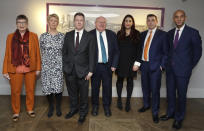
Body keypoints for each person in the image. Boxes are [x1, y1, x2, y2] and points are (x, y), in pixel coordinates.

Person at [160, 10, 202, 129]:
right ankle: (170, 113)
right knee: (170, 93)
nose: (179, 19)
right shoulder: (170, 33)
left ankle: (179, 118)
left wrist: (189, 66)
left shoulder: (193, 33)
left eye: (181, 17)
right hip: (170, 70)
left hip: (183, 70)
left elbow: (197, 52)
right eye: (176, 17)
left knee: (181, 95)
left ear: (185, 18)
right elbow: (167, 51)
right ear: (173, 19)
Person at [2, 14, 41, 122]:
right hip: (15, 68)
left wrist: (38, 68)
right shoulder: (10, 37)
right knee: (15, 91)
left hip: (30, 68)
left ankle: (29, 109)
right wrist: (5, 70)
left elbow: (37, 53)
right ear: (16, 24)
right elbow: (7, 54)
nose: (21, 25)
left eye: (24, 23)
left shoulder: (34, 35)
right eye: (19, 22)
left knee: (30, 90)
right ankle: (16, 111)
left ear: (27, 24)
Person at [62, 12, 96, 124]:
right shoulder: (68, 35)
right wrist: (65, 67)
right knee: (72, 93)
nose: (79, 22)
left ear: (84, 22)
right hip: (70, 70)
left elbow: (92, 55)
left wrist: (91, 71)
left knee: (84, 95)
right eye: (77, 20)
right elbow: (64, 53)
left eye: (81, 20)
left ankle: (82, 113)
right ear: (74, 21)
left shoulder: (90, 36)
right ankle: (73, 109)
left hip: (84, 72)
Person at [137, 14, 168, 124]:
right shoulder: (142, 34)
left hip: (156, 67)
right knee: (145, 87)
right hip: (144, 66)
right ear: (146, 22)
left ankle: (155, 112)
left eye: (152, 20)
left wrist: (161, 66)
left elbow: (166, 52)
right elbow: (139, 50)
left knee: (155, 90)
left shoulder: (163, 35)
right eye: (148, 20)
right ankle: (146, 105)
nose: (150, 22)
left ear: (156, 21)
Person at [90, 16, 120, 117]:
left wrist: (114, 65)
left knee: (107, 88)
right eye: (99, 22)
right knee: (95, 88)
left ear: (106, 24)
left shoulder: (112, 34)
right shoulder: (89, 35)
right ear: (95, 23)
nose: (102, 24)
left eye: (104, 22)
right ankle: (95, 106)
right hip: (95, 67)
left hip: (108, 66)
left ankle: (107, 106)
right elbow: (86, 53)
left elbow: (116, 51)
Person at [40, 14, 64, 118]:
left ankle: (58, 107)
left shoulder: (62, 36)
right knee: (48, 88)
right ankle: (51, 106)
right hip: (46, 66)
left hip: (59, 66)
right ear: (48, 22)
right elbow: (41, 51)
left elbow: (65, 52)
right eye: (51, 20)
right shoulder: (43, 36)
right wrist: (45, 63)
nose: (53, 22)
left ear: (57, 23)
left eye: (55, 21)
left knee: (58, 88)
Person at [116, 14, 141, 112]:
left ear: (132, 23)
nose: (128, 22)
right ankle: (118, 100)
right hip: (120, 62)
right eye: (126, 21)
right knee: (120, 81)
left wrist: (137, 63)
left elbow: (139, 50)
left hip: (132, 63)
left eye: (130, 21)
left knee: (130, 81)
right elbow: (116, 49)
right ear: (123, 22)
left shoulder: (137, 33)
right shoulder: (119, 33)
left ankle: (128, 102)